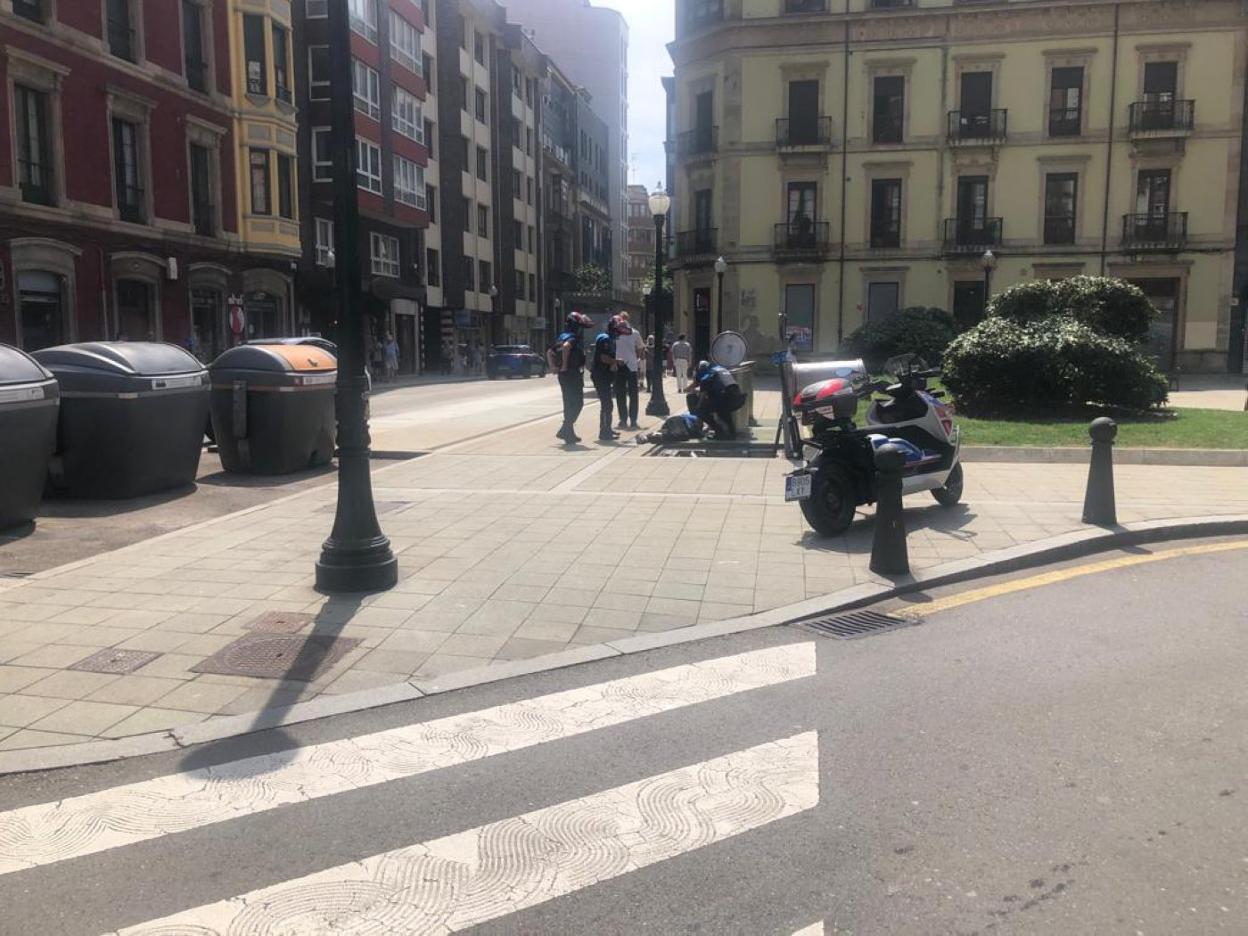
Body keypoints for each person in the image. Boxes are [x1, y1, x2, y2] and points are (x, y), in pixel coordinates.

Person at [548, 311, 593, 443]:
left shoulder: (562, 336)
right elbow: (566, 347)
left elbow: (549, 352)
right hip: (572, 373)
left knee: (568, 403)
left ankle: (568, 433)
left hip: (563, 375)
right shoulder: (572, 338)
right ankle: (565, 429)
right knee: (578, 403)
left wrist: (553, 367)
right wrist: (565, 365)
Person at [687, 359, 746, 440]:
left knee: (702, 411)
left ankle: (719, 432)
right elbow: (701, 385)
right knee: (723, 412)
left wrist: (698, 405)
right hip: (736, 397)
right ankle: (732, 433)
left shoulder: (708, 373)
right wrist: (690, 388)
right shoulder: (718, 369)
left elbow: (703, 392)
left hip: (725, 397)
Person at [590, 317, 622, 442]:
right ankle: (604, 432)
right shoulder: (605, 339)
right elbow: (603, 358)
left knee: (608, 404)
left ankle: (607, 428)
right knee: (607, 404)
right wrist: (616, 361)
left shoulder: (611, 339)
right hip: (600, 375)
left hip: (605, 375)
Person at [612, 313, 646, 430]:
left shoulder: (622, 332)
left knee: (625, 394)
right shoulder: (631, 332)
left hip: (626, 366)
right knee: (627, 394)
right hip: (627, 365)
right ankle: (629, 420)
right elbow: (641, 347)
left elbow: (641, 347)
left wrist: (638, 359)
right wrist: (638, 358)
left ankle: (627, 420)